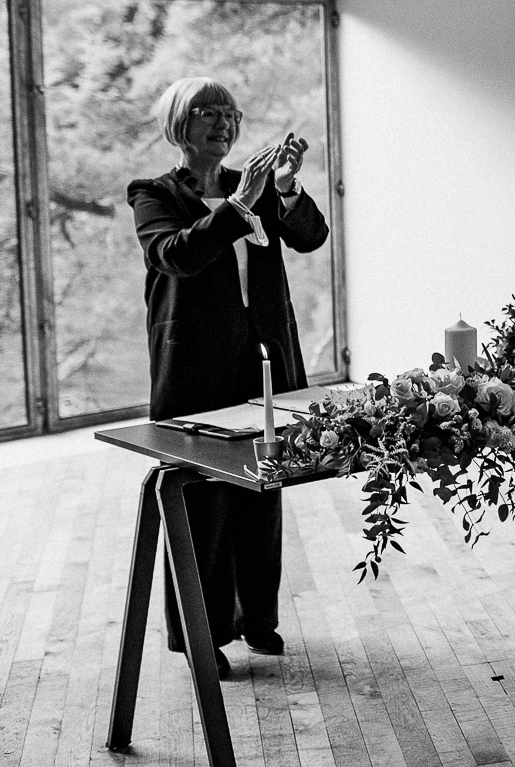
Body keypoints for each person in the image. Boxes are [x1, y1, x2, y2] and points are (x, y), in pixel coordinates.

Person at [127, 77, 329, 679]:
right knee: (200, 505)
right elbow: (177, 255)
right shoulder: (153, 194)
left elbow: (311, 237)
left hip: (262, 361)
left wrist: (284, 188)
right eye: (207, 112)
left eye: (230, 113)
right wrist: (240, 205)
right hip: (195, 369)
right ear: (179, 124)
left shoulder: (258, 185)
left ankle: (257, 619)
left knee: (261, 493)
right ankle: (201, 635)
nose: (223, 123)